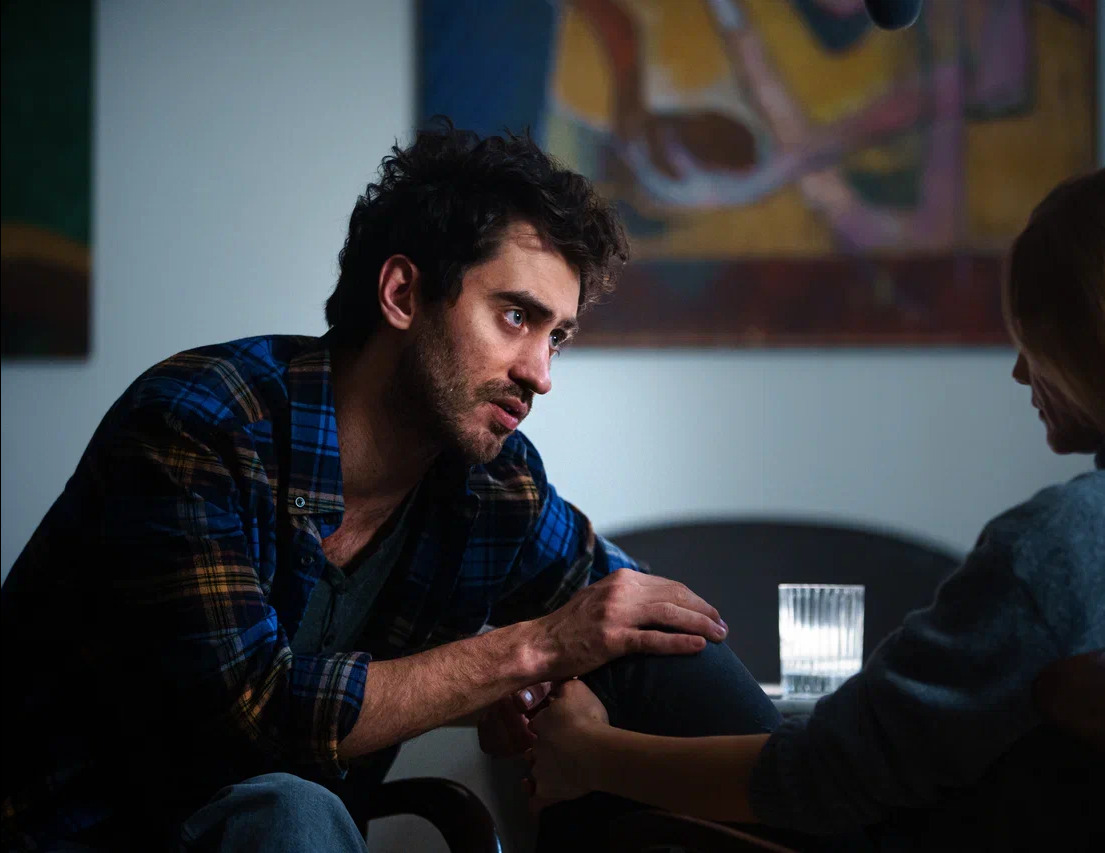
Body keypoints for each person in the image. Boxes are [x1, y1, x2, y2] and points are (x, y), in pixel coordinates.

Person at [0, 119, 774, 851]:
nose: (540, 374)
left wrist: (570, 694)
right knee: (291, 805)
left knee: (638, 641)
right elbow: (255, 714)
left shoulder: (491, 484)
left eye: (557, 338)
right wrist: (534, 650)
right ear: (403, 294)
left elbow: (626, 610)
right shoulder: (200, 426)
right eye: (515, 317)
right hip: (75, 832)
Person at [525, 162, 1105, 852]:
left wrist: (593, 755)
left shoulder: (1067, 543)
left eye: (1031, 337)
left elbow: (825, 779)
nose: (1021, 372)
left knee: (630, 658)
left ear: (1100, 337)